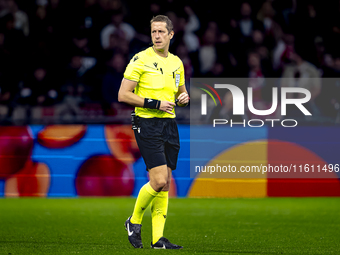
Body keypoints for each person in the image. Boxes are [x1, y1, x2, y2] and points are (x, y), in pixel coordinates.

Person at [118, 15, 189, 249]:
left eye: (161, 32)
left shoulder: (177, 63)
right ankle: (134, 221)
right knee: (158, 180)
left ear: (171, 34)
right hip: (147, 122)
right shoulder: (140, 60)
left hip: (169, 125)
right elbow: (123, 95)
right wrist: (154, 104)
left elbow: (180, 94)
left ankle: (158, 239)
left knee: (166, 183)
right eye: (153, 32)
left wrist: (184, 98)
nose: (157, 36)